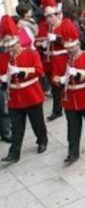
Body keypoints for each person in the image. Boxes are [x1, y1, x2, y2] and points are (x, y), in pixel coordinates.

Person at [0, 15, 47, 163]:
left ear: (18, 42)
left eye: (12, 46)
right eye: (7, 47)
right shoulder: (3, 58)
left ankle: (42, 141)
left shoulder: (31, 54)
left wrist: (21, 71)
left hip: (31, 93)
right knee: (16, 127)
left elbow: (39, 71)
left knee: (37, 122)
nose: (10, 49)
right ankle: (14, 153)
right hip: (15, 96)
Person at [57, 21, 85, 164]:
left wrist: (79, 73)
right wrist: (61, 80)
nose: (70, 50)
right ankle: (72, 152)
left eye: (73, 46)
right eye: (68, 47)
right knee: (72, 126)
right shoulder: (62, 59)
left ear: (78, 44)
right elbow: (54, 75)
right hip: (70, 97)